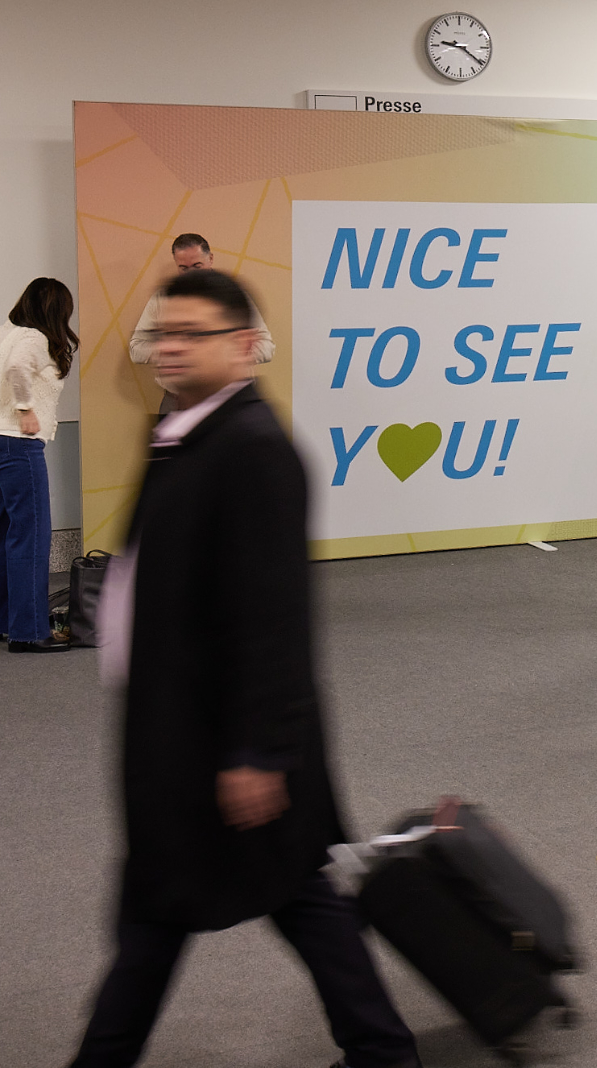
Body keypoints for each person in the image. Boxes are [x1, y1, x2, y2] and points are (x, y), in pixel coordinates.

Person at [71, 269, 417, 1068]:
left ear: (242, 347)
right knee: (285, 899)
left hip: (225, 743)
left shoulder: (255, 450)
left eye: (191, 334)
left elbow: (276, 622)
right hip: (180, 731)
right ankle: (384, 1052)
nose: (171, 349)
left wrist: (258, 753)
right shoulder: (186, 434)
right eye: (164, 334)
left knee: (172, 915)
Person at [1, 277, 78, 653]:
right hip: (18, 445)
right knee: (30, 537)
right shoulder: (33, 339)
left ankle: (6, 622)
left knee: (6, 536)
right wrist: (26, 410)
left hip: (1, 441)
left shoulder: (9, 330)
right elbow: (17, 369)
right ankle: (29, 632)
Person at [129, 234, 274, 411]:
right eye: (183, 268)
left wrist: (222, 356)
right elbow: (136, 349)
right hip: (177, 403)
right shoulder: (162, 299)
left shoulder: (233, 295)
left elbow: (267, 347)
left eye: (197, 266)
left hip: (229, 404)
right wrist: (172, 352)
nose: (192, 275)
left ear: (210, 259)